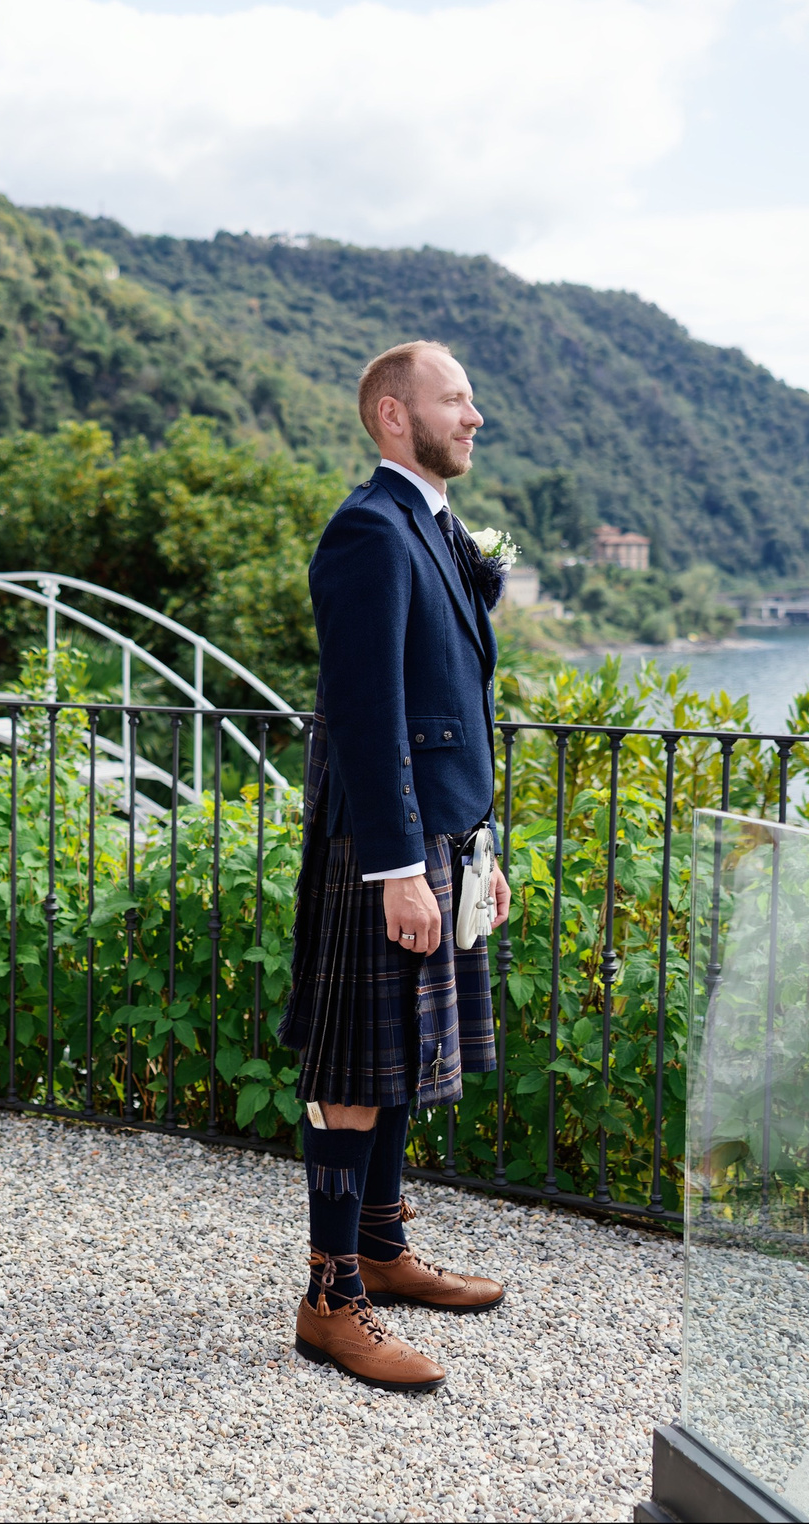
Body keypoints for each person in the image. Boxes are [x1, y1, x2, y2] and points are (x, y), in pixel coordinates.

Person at [280, 340, 513, 1393]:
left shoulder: (432, 526)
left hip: (437, 836)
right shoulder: (368, 531)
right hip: (381, 845)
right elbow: (369, 716)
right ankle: (331, 1303)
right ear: (391, 414)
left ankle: (381, 1247)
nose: (473, 417)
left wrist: (478, 847)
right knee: (354, 1078)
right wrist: (395, 869)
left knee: (397, 1072)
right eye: (453, 400)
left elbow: (449, 711)